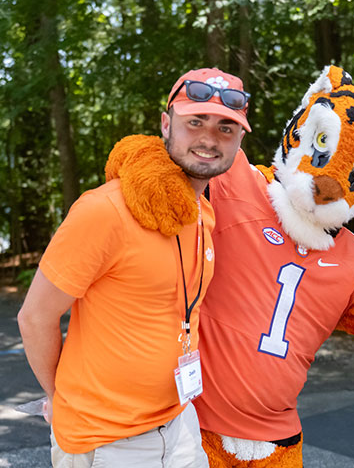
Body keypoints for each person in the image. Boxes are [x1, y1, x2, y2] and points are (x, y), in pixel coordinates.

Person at [110, 65, 354, 467]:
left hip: (279, 445)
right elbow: (161, 154)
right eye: (322, 142)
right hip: (192, 430)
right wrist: (148, 171)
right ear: (300, 127)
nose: (330, 184)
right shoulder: (237, 182)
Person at [17, 67, 250, 468]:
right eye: (195, 122)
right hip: (107, 441)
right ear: (166, 124)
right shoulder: (104, 210)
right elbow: (35, 317)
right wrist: (60, 400)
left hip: (180, 424)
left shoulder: (203, 213)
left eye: (226, 128)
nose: (209, 139)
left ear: (241, 139)